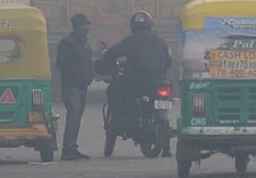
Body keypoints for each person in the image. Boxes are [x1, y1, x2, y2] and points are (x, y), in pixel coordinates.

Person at [101, 11, 174, 157]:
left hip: (136, 83)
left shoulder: (129, 41)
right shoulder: (161, 42)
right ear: (149, 26)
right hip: (159, 82)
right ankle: (166, 148)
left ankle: (117, 124)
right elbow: (169, 62)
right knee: (164, 107)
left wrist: (112, 66)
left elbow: (110, 55)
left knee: (113, 91)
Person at [56, 13, 95, 160]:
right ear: (76, 26)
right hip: (71, 86)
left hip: (82, 86)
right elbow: (62, 64)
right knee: (73, 116)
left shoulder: (84, 43)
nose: (87, 27)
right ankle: (67, 150)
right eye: (84, 24)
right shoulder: (67, 43)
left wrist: (89, 76)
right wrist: (77, 76)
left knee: (77, 117)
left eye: (87, 24)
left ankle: (72, 148)